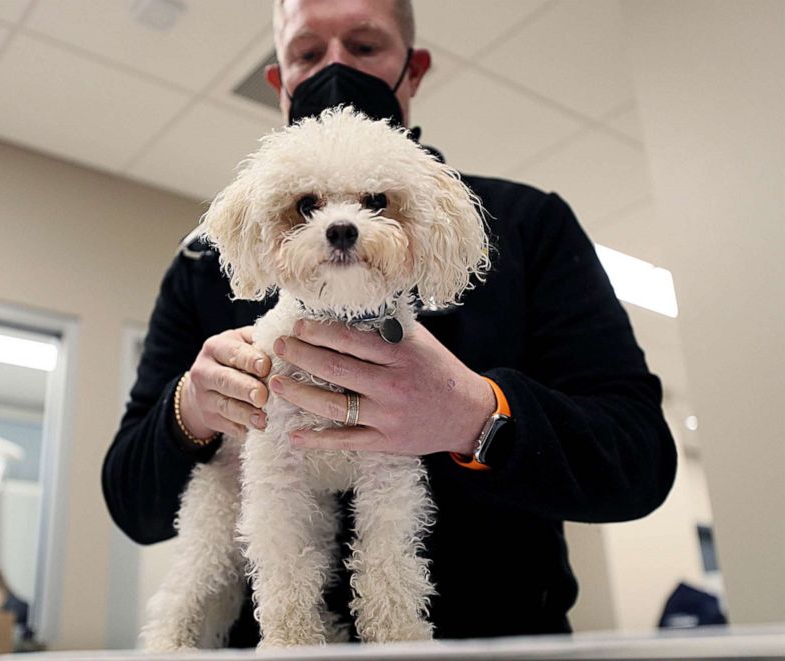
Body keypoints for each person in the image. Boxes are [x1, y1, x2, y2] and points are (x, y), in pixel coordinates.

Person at [102, 0, 677, 644]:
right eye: (308, 52)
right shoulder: (202, 265)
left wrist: (476, 413)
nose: (336, 66)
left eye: (365, 44)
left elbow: (640, 463)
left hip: (501, 641)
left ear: (414, 68)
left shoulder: (528, 225)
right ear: (279, 77)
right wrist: (190, 410)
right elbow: (131, 502)